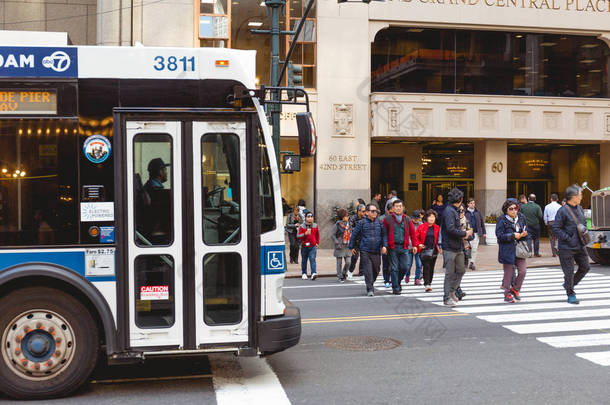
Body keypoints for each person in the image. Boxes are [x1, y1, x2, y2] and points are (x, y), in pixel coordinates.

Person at [553, 184, 590, 304]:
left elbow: (583, 223)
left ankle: (569, 284)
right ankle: (571, 294)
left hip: (580, 245)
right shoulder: (562, 211)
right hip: (566, 248)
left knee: (585, 267)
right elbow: (556, 229)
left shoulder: (579, 208)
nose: (581, 197)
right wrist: (569, 239)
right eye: (580, 195)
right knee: (568, 272)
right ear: (573, 196)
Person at [441, 188, 473, 306]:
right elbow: (450, 229)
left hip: (458, 246)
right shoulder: (449, 211)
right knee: (450, 273)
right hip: (449, 246)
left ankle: (451, 291)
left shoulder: (455, 210)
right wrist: (465, 233)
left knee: (461, 270)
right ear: (460, 199)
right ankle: (446, 297)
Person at [349, 204, 386, 296]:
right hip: (365, 250)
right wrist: (351, 247)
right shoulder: (361, 223)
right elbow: (354, 235)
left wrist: (385, 246)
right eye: (372, 211)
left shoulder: (380, 222)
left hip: (377, 250)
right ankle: (370, 289)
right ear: (367, 212)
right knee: (368, 270)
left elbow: (384, 235)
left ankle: (370, 283)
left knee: (376, 269)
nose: (375, 213)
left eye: (376, 211)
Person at [382, 200, 418, 295]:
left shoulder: (407, 219)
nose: (398, 208)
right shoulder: (387, 219)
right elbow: (384, 234)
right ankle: (395, 288)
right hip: (392, 247)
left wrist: (414, 245)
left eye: (400, 206)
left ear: (403, 208)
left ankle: (397, 281)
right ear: (393, 208)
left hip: (404, 247)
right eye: (396, 206)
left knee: (405, 267)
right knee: (394, 268)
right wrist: (384, 246)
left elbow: (412, 234)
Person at [496, 199, 529, 303]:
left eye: (516, 208)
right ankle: (507, 294)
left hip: (519, 249)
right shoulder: (502, 220)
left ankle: (515, 289)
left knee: (523, 271)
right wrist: (512, 235)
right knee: (508, 273)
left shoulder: (521, 217)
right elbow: (499, 236)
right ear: (506, 210)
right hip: (507, 249)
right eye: (511, 209)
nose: (514, 211)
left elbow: (527, 231)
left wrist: (524, 235)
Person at [416, 210, 441, 293]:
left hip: (434, 250)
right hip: (424, 250)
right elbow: (415, 237)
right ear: (426, 218)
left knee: (431, 268)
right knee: (426, 266)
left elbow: (439, 239)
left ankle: (429, 282)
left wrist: (440, 247)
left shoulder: (437, 227)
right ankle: (427, 284)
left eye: (433, 217)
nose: (431, 218)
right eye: (430, 217)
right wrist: (419, 244)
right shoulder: (421, 227)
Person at [464, 198, 486, 270]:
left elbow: (482, 222)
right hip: (468, 234)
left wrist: (484, 232)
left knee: (474, 249)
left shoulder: (477, 212)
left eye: (473, 203)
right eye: (471, 203)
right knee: (467, 248)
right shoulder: (465, 212)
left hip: (476, 233)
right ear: (468, 204)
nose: (472, 204)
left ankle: (472, 263)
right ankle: (466, 262)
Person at [297, 212, 319, 280]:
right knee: (304, 260)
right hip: (304, 246)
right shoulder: (302, 226)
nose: (310, 218)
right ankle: (304, 273)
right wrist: (305, 234)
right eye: (308, 217)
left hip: (313, 246)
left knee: (312, 259)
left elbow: (317, 235)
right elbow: (298, 236)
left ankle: (313, 273)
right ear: (305, 218)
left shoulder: (315, 225)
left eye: (311, 217)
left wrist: (317, 242)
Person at [331, 208, 352, 282]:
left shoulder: (349, 224)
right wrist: (336, 242)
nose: (348, 217)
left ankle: (344, 273)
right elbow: (332, 235)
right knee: (339, 262)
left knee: (348, 262)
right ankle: (339, 276)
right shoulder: (337, 224)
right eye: (346, 215)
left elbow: (351, 233)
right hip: (340, 244)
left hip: (348, 244)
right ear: (342, 217)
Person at [347, 204, 366, 279]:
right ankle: (350, 270)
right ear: (358, 211)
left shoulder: (365, 218)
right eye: (363, 211)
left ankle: (361, 273)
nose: (364, 213)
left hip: (363, 240)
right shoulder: (352, 218)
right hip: (355, 240)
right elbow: (350, 229)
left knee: (363, 257)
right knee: (355, 257)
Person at [405, 210, 424, 285]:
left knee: (419, 264)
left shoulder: (421, 225)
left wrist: (418, 245)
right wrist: (412, 246)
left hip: (418, 248)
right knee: (408, 264)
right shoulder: (408, 224)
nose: (416, 220)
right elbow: (408, 236)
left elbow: (422, 237)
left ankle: (417, 278)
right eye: (414, 218)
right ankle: (407, 275)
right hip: (410, 247)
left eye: (417, 218)